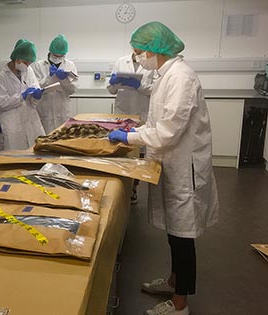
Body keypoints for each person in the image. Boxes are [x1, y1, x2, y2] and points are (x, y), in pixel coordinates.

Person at [108, 21, 219, 315]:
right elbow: (158, 120)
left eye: (140, 52)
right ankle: (173, 280)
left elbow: (169, 130)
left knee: (183, 236)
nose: (138, 58)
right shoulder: (164, 75)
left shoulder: (181, 77)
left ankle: (181, 303)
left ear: (157, 49)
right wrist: (138, 127)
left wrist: (130, 137)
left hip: (185, 167)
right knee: (174, 230)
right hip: (171, 162)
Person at [107, 51, 156, 204]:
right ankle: (119, 187)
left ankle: (134, 187)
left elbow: (155, 89)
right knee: (121, 150)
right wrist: (113, 82)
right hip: (122, 112)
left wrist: (139, 86)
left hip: (141, 113)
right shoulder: (121, 61)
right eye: (136, 49)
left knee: (138, 152)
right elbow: (111, 90)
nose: (138, 52)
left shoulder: (152, 64)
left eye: (141, 50)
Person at [0, 39, 45, 150]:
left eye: (29, 63)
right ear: (17, 59)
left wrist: (37, 95)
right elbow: (2, 103)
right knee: (15, 154)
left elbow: (35, 87)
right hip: (12, 122)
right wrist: (21, 96)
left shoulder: (28, 70)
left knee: (35, 151)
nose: (27, 66)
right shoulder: (2, 75)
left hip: (30, 118)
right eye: (26, 63)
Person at [31, 34, 78, 134]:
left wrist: (64, 80)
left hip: (62, 111)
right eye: (56, 55)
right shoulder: (38, 66)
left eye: (61, 56)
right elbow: (35, 88)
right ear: (50, 52)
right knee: (44, 140)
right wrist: (49, 77)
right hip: (45, 110)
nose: (58, 58)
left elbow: (72, 90)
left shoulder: (70, 65)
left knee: (63, 140)